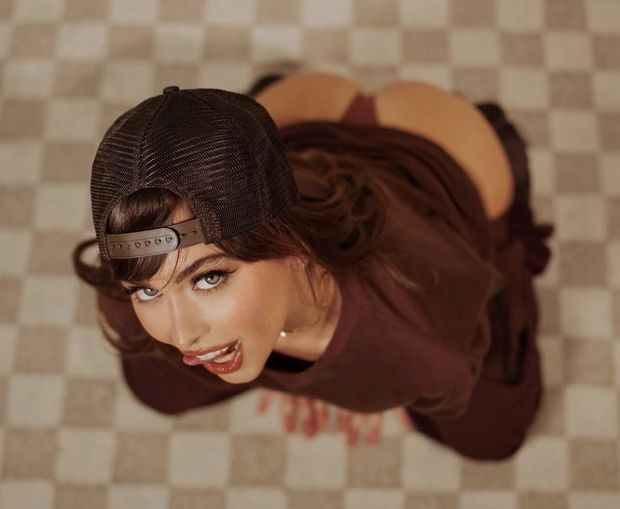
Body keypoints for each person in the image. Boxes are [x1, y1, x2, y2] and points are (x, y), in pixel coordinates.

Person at [72, 73, 554, 460]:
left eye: (209, 277)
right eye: (148, 290)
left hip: (435, 140)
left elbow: (434, 356)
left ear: (294, 248)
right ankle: (258, 120)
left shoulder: (420, 336)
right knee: (156, 387)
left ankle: (499, 140)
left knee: (493, 434)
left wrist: (373, 382)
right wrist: (317, 374)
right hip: (291, 132)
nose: (182, 334)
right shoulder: (138, 302)